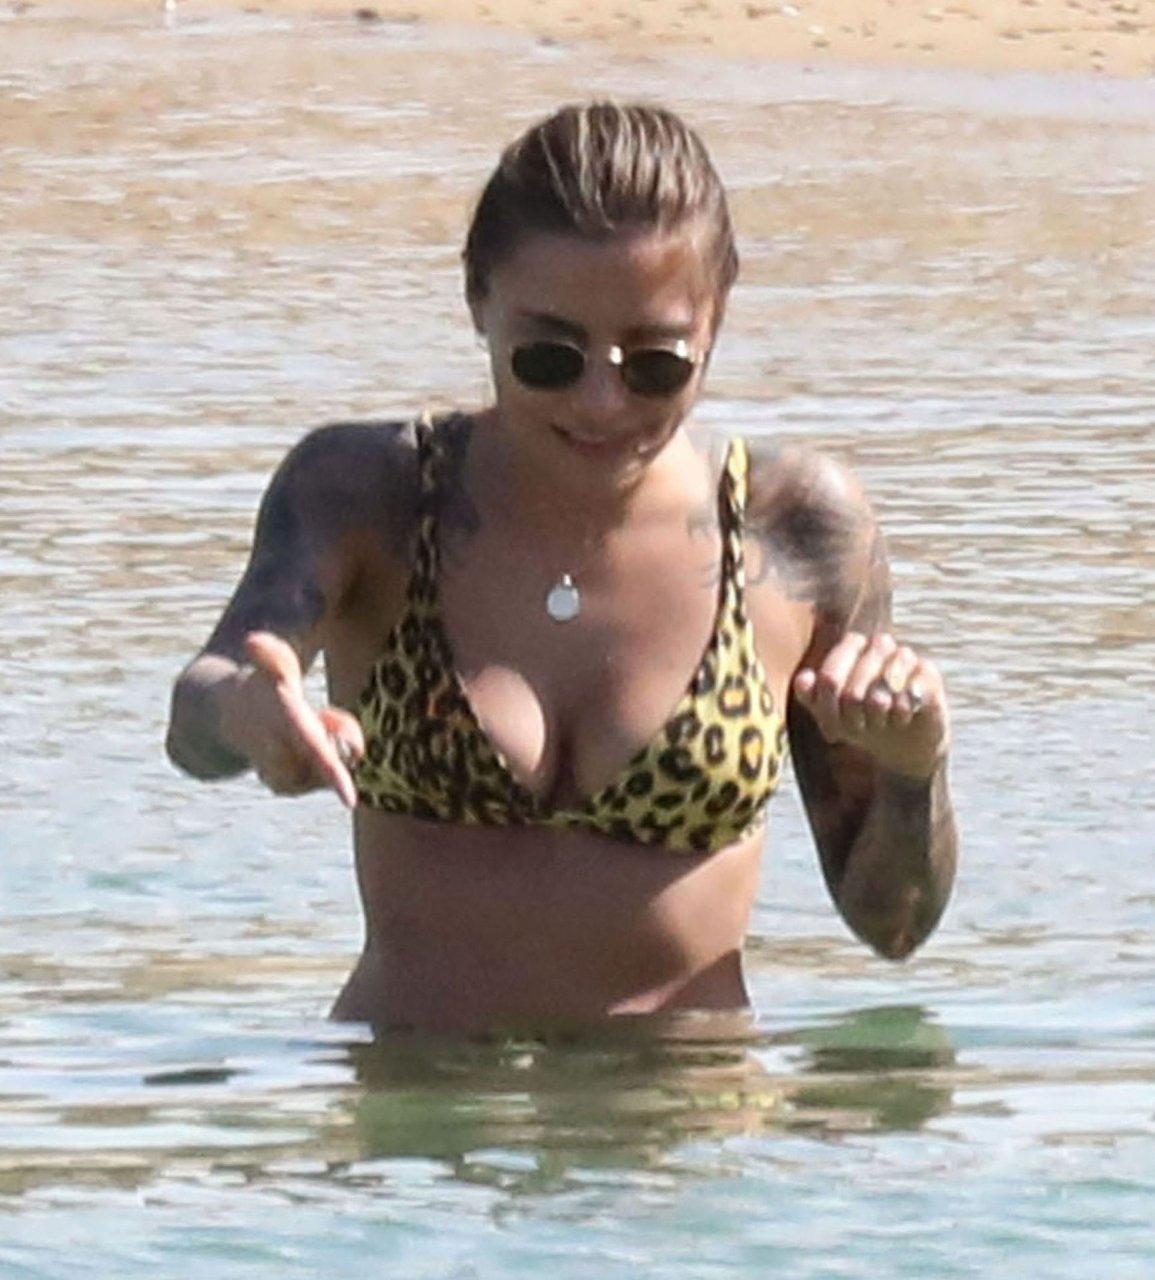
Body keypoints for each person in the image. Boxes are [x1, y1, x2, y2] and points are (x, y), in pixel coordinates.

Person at [166, 102, 958, 1036]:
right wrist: (246, 713)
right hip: (418, 1103)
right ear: (477, 303)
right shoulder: (370, 492)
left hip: (685, 1111)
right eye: (548, 356)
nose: (600, 401)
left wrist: (913, 769)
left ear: (716, 321)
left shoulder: (794, 527)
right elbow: (196, 724)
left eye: (654, 363)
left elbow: (892, 926)